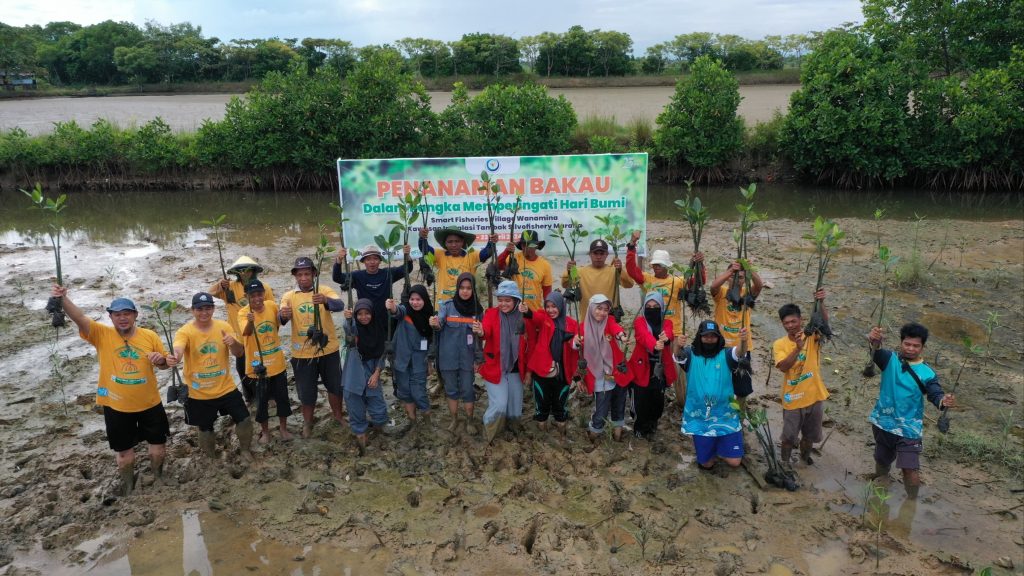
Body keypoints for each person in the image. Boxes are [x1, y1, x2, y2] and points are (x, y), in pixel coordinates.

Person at [53, 286, 171, 495]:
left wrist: (161, 360)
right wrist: (63, 299)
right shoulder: (101, 334)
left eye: (127, 314)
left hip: (150, 402)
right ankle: (127, 485)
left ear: (135, 315)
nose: (122, 318)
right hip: (116, 405)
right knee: (125, 454)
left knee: (158, 446)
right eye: (117, 314)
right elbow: (79, 318)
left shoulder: (149, 336)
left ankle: (158, 476)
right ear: (111, 317)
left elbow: (163, 364)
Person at [867, 323, 955, 499]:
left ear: (923, 347)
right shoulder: (889, 360)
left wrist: (943, 401)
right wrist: (874, 340)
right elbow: (875, 352)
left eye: (916, 346)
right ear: (901, 342)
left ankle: (911, 502)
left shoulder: (927, 373)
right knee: (881, 459)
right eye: (907, 344)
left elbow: (935, 394)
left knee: (910, 469)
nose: (911, 349)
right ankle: (882, 480)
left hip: (909, 430)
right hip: (883, 423)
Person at [168, 292, 253, 462]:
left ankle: (245, 450)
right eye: (200, 309)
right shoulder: (185, 331)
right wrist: (174, 357)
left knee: (244, 419)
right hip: (199, 392)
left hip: (225, 387)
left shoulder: (224, 327)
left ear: (213, 309)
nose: (204, 312)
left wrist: (233, 342)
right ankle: (210, 457)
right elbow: (178, 348)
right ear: (193, 310)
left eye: (208, 308)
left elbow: (239, 353)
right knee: (205, 428)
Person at [279, 257, 346, 438]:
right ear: (295, 276)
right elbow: (281, 319)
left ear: (314, 274)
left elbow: (339, 305)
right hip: (302, 354)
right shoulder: (289, 296)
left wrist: (325, 300)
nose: (303, 278)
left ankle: (338, 415)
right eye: (299, 274)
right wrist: (283, 315)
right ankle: (308, 423)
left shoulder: (323, 290)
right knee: (306, 392)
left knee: (334, 387)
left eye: (307, 274)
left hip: (328, 349)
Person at [674, 321, 752, 472]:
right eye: (706, 336)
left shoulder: (727, 354)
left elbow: (740, 353)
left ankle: (722, 446)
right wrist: (678, 344)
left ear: (718, 338)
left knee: (735, 462)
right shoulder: (690, 353)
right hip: (699, 418)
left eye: (713, 336)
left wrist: (743, 340)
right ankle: (711, 448)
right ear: (699, 337)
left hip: (725, 415)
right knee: (706, 464)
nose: (709, 339)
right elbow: (677, 356)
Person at [772, 291, 829, 466]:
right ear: (782, 324)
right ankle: (785, 462)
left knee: (810, 436)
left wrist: (820, 302)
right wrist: (797, 348)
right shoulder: (780, 344)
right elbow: (783, 367)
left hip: (814, 396)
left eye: (793, 321)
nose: (790, 325)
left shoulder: (812, 335)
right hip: (792, 398)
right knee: (788, 437)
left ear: (801, 320)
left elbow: (825, 324)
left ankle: (805, 457)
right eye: (786, 323)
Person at [209, 256, 275, 402]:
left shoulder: (264, 288)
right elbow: (211, 292)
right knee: (243, 368)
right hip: (239, 337)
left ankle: (269, 395)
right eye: (241, 271)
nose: (244, 274)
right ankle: (250, 397)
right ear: (236, 273)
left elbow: (270, 308)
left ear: (254, 271)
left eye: (248, 271)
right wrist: (221, 284)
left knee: (264, 364)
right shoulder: (229, 287)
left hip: (258, 335)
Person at [473, 280, 530, 444]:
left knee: (515, 405)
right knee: (499, 404)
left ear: (516, 300)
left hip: (516, 368)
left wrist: (529, 371)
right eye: (501, 299)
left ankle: (511, 428)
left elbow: (532, 340)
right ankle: (489, 431)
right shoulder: (491, 313)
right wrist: (481, 330)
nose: (503, 304)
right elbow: (486, 330)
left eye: (508, 300)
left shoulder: (523, 315)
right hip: (495, 366)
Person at [238, 279, 293, 444]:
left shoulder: (271, 305)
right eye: (252, 295)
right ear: (247, 296)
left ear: (264, 294)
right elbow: (246, 333)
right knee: (261, 402)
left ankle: (283, 429)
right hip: (258, 367)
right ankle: (265, 432)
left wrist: (286, 315)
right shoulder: (242, 312)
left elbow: (281, 321)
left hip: (277, 364)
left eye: (259, 294)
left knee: (282, 398)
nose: (257, 298)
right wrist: (250, 321)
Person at [430, 272, 483, 437]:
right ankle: (454, 418)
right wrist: (435, 323)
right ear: (457, 288)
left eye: (468, 288)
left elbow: (479, 339)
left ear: (473, 290)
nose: (465, 291)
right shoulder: (447, 306)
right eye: (462, 288)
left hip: (467, 359)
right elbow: (439, 324)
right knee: (451, 390)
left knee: (468, 390)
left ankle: (469, 419)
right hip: (447, 358)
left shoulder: (477, 309)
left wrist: (478, 359)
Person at [573, 294, 631, 442]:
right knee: (602, 409)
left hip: (617, 371)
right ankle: (594, 433)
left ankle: (617, 434)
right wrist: (576, 343)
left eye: (606, 309)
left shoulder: (609, 321)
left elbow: (616, 329)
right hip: (598, 375)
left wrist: (622, 336)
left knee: (619, 404)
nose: (602, 313)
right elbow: (575, 349)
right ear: (591, 308)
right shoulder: (582, 328)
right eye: (599, 308)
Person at [523, 291, 579, 436]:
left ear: (561, 306)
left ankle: (561, 433)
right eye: (548, 306)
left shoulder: (572, 323)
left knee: (560, 405)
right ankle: (542, 434)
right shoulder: (544, 318)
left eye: (554, 306)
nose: (550, 310)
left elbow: (575, 344)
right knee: (541, 405)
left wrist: (577, 343)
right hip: (542, 371)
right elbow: (534, 317)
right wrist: (526, 310)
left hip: (563, 372)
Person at [628, 292, 682, 440]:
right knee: (640, 400)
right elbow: (642, 335)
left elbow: (669, 333)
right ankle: (639, 426)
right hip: (641, 368)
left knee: (657, 401)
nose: (652, 309)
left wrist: (666, 339)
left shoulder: (667, 322)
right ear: (644, 308)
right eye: (649, 306)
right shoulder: (640, 321)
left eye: (656, 306)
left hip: (660, 369)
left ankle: (652, 423)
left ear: (662, 307)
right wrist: (655, 344)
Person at [342, 299, 391, 455]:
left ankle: (378, 431)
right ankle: (362, 444)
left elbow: (382, 356)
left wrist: (376, 374)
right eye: (360, 314)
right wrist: (348, 319)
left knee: (379, 411)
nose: (364, 317)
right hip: (354, 372)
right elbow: (348, 330)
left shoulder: (378, 329)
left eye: (367, 313)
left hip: (372, 371)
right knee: (355, 407)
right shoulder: (353, 331)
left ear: (372, 314)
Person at [386, 285, 434, 434]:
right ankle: (413, 422)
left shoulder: (431, 316)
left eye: (418, 299)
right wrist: (392, 307)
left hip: (420, 360)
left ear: (424, 300)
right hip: (401, 359)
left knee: (419, 392)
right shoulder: (405, 310)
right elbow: (397, 312)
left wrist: (431, 362)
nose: (415, 302)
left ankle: (427, 422)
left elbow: (434, 340)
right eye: (412, 299)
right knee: (405, 392)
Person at [332, 243, 412, 324]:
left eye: (375, 259)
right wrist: (339, 260)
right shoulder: (357, 276)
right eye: (368, 259)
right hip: (366, 318)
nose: (372, 262)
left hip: (386, 317)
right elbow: (337, 277)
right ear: (364, 261)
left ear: (380, 261)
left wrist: (407, 255)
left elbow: (407, 268)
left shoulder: (388, 273)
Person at [418, 226, 497, 302]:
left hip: (465, 305)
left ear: (462, 242)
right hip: (443, 304)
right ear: (445, 243)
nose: (453, 245)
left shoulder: (471, 255)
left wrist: (491, 241)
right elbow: (425, 249)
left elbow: (487, 252)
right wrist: (422, 238)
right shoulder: (440, 255)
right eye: (450, 242)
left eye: (457, 241)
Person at [560, 239, 634, 315]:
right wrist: (570, 271)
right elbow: (565, 285)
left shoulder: (614, 270)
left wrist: (620, 270)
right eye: (595, 253)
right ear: (590, 254)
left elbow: (629, 284)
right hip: (586, 320)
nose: (598, 257)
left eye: (602, 253)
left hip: (608, 319)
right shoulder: (580, 271)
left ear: (607, 254)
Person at [625, 231, 685, 324]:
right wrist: (632, 246)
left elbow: (697, 281)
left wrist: (698, 263)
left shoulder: (677, 281)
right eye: (655, 264)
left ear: (667, 266)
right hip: (652, 328)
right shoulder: (647, 279)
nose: (657, 266)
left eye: (660, 264)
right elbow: (631, 269)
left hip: (674, 329)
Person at [708, 258, 763, 350]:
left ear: (745, 280)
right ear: (727, 278)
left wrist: (749, 269)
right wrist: (731, 270)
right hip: (722, 343)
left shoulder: (747, 294)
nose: (736, 280)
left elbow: (759, 286)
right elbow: (714, 286)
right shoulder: (722, 292)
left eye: (741, 277)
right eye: (733, 276)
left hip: (742, 344)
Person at [497, 229, 554, 311]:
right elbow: (497, 266)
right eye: (524, 245)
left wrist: (548, 310)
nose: (526, 247)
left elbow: (547, 291)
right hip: (514, 310)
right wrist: (506, 252)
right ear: (521, 246)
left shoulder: (545, 265)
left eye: (530, 245)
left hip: (534, 311)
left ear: (537, 246)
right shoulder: (514, 258)